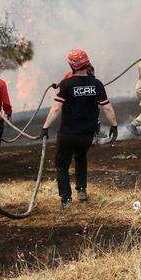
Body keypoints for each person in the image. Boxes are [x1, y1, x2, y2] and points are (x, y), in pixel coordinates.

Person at [41, 49, 118, 209]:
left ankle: (66, 199)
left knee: (62, 165)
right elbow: (107, 108)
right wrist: (114, 125)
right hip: (87, 134)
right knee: (81, 158)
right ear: (87, 63)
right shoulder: (96, 84)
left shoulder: (66, 84)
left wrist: (45, 127)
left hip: (68, 133)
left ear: (71, 66)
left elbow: (56, 109)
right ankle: (81, 189)